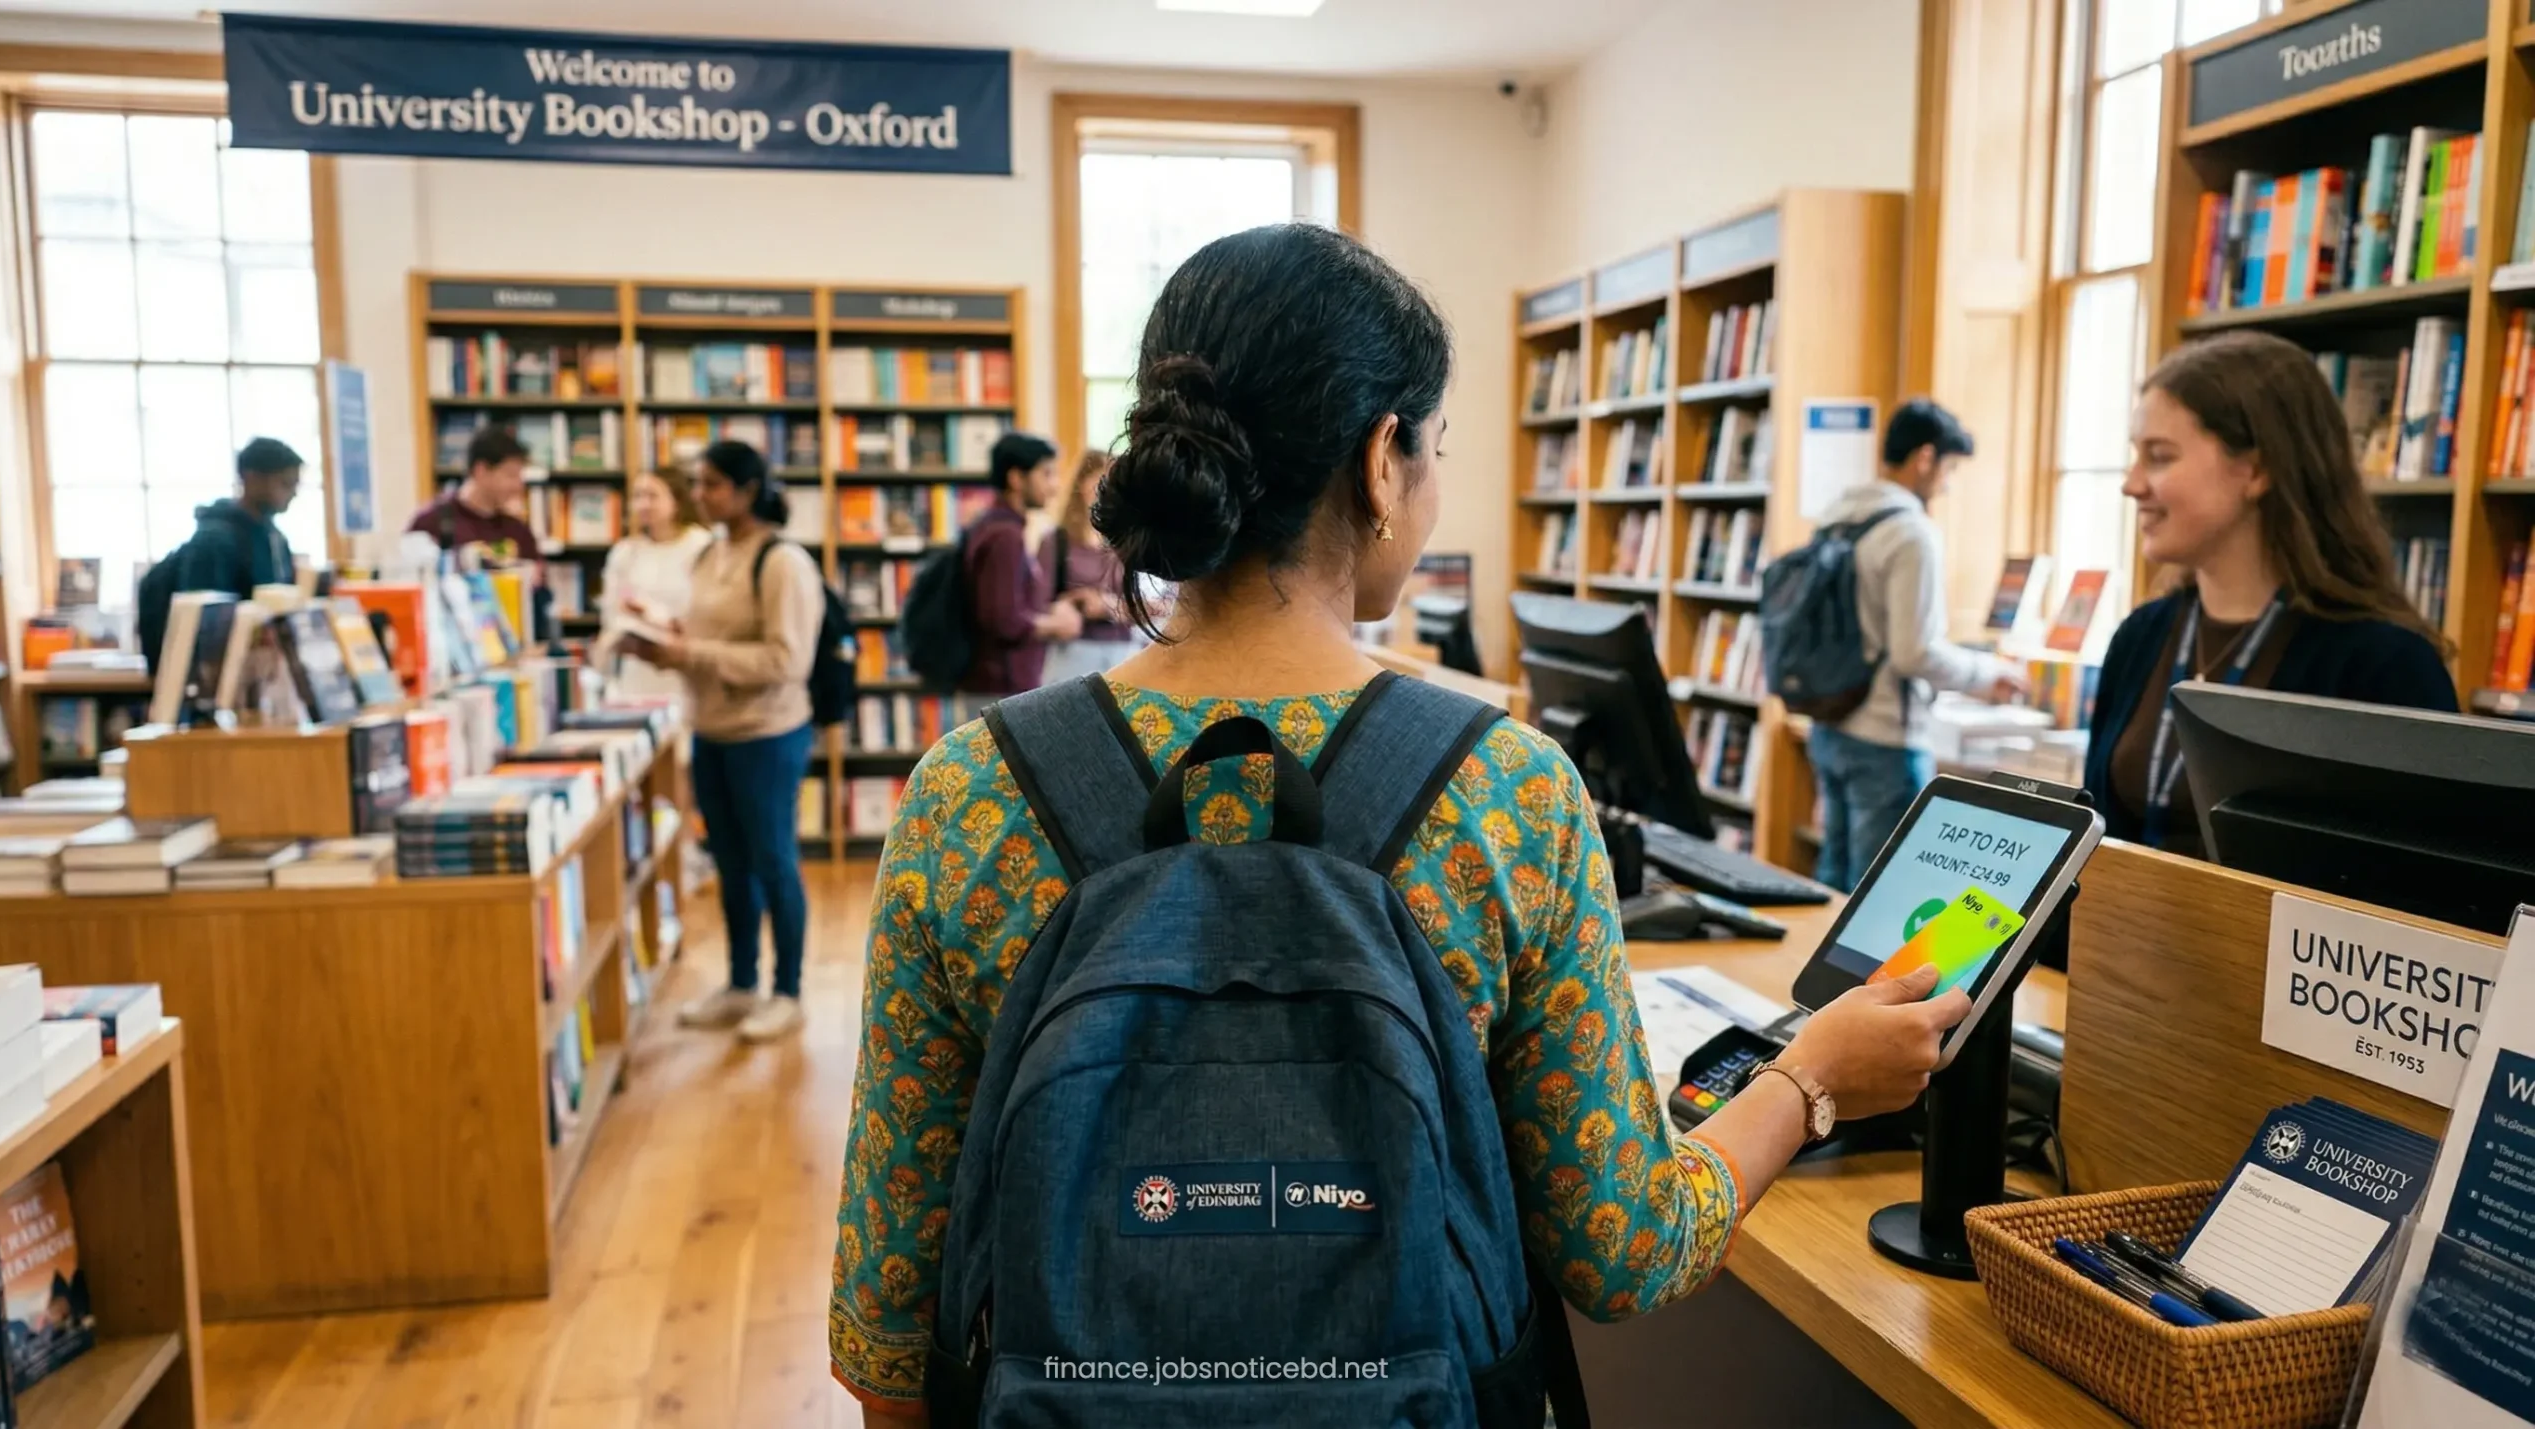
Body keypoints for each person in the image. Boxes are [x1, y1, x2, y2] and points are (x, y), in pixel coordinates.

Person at [830, 223, 1962, 1422]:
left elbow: (886, 1323)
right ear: (1382, 462)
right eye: (1434, 451)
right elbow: (1627, 1249)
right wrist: (1811, 1080)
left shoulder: (967, 791)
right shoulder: (1509, 795)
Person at [2086, 331, 2456, 858]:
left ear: (2256, 471)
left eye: (2160, 457)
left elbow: (2421, 894)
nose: (2131, 484)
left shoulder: (2386, 668)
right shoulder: (2140, 637)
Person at [618, 440, 825, 1044]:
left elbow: (787, 660)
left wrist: (687, 652)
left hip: (767, 735)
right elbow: (710, 633)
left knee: (773, 861)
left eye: (711, 485)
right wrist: (661, 636)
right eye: (698, 484)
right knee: (731, 864)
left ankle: (787, 991)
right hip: (709, 730)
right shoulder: (710, 553)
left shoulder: (783, 562)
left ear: (746, 490)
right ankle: (740, 984)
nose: (700, 495)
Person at [1808, 398, 2027, 891]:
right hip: (1885, 735)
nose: (1947, 485)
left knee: (1831, 882)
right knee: (1878, 891)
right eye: (1948, 469)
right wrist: (1986, 675)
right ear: (1925, 458)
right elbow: (1915, 651)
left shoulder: (1838, 517)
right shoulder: (1911, 533)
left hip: (1830, 722)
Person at [139, 437, 304, 672]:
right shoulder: (213, 541)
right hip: (218, 673)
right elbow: (204, 624)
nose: (293, 494)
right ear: (252, 478)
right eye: (286, 483)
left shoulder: (275, 538)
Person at [961, 431, 1083, 695]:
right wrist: (1057, 626)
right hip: (1001, 686)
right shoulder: (1006, 536)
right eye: (1046, 474)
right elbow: (1004, 620)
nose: (1054, 486)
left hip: (998, 682)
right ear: (1016, 478)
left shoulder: (992, 525)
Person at [594, 467, 712, 701]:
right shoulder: (626, 552)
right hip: (637, 672)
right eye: (638, 496)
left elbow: (707, 611)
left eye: (653, 496)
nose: (644, 504)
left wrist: (654, 616)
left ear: (676, 500)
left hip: (684, 666)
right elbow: (611, 612)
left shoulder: (701, 546)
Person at [1034, 447, 1138, 683]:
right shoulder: (1055, 542)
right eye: (1101, 481)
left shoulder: (1126, 542)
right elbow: (1036, 606)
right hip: (1072, 653)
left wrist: (1109, 606)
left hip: (1124, 653)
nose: (1109, 490)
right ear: (1081, 484)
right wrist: (1070, 604)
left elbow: (1151, 608)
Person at [408, 423, 541, 565]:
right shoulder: (431, 522)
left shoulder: (516, 530)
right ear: (481, 471)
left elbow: (536, 582)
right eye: (511, 475)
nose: (518, 486)